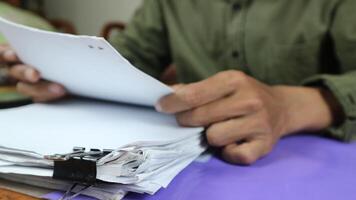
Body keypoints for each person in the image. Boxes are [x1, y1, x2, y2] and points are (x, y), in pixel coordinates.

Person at [1, 0, 355, 165]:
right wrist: (60, 74)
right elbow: (124, 61)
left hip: (314, 160)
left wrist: (293, 105)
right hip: (181, 159)